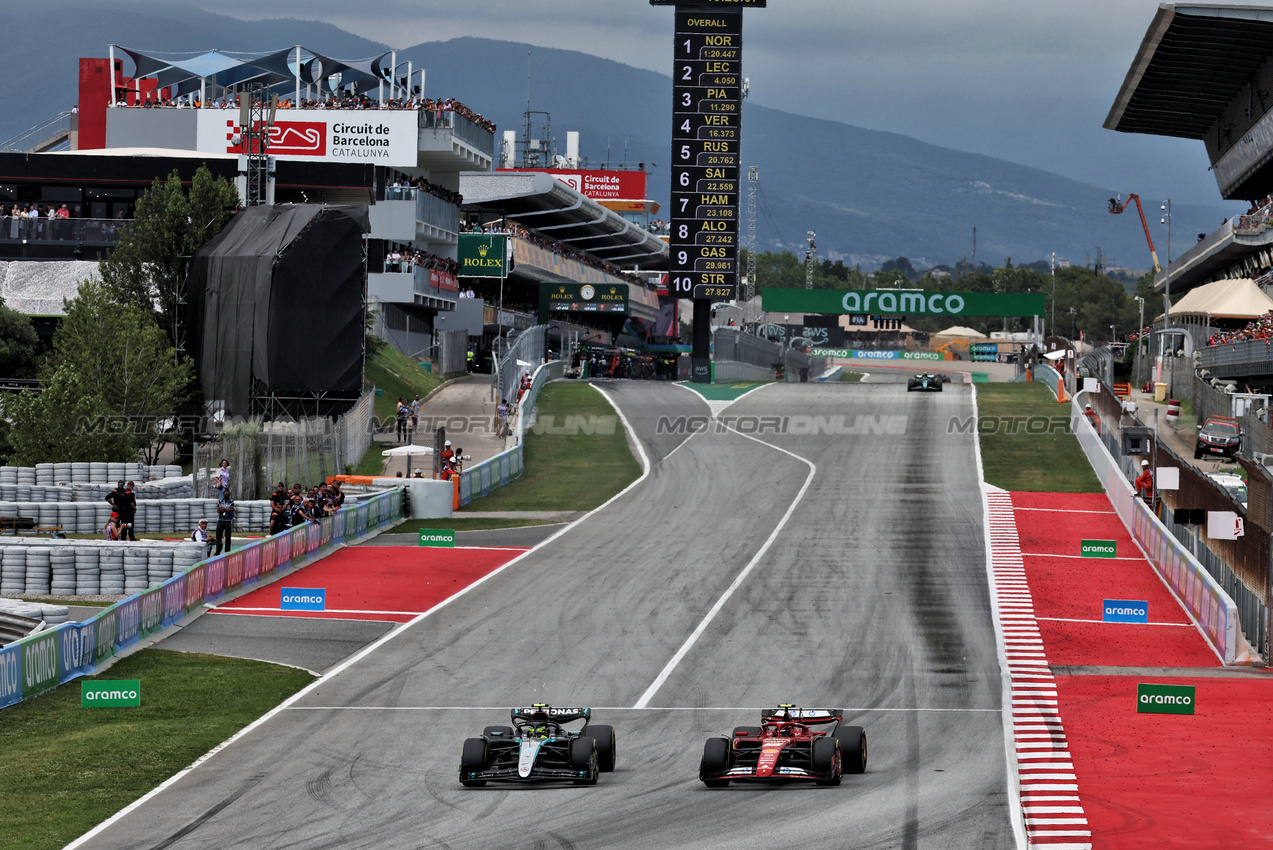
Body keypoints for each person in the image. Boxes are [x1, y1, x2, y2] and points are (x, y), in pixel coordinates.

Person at [214, 489, 235, 555]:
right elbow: (218, 510)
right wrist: (226, 510)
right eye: (225, 493)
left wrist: (224, 509)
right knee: (218, 536)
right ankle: (218, 550)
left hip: (228, 520)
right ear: (223, 494)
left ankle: (227, 550)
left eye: (227, 493)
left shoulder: (231, 501)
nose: (226, 495)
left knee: (228, 536)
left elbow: (231, 509)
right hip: (221, 520)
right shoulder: (220, 501)